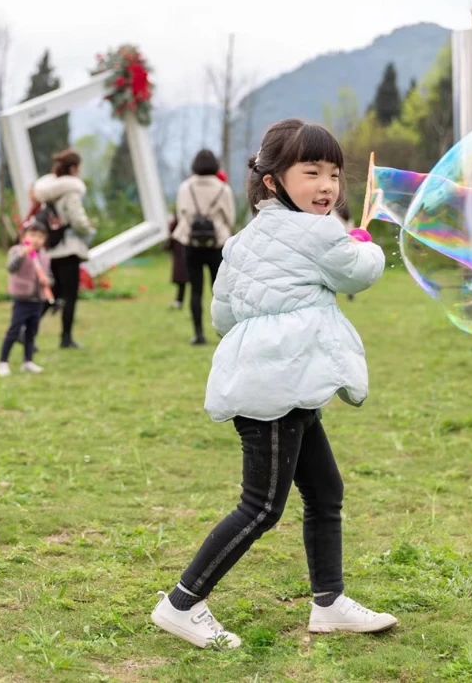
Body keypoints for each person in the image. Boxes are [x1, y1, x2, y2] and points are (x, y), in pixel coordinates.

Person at [151, 118, 395, 649]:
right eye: (312, 173)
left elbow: (222, 315)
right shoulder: (320, 232)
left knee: (325, 490)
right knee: (261, 507)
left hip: (279, 381)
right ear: (272, 180)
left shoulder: (241, 242)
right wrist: (362, 241)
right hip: (277, 386)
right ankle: (182, 603)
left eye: (334, 174)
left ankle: (329, 602)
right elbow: (359, 272)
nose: (327, 186)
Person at [31, 149, 95, 349]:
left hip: (52, 247)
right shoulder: (71, 190)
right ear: (74, 168)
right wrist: (89, 228)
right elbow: (77, 220)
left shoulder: (48, 190)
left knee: (52, 293)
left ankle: (27, 331)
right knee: (70, 296)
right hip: (69, 248)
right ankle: (66, 338)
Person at [172, 149, 236, 345]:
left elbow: (181, 214)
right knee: (220, 291)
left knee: (196, 290)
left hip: (192, 244)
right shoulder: (223, 189)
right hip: (217, 244)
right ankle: (224, 333)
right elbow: (230, 218)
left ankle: (199, 334)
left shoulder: (186, 187)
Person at [0, 219, 53, 376]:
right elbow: (11, 267)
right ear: (24, 237)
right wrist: (22, 254)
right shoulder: (17, 251)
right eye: (33, 235)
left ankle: (28, 361)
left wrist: (48, 281)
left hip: (38, 300)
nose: (36, 240)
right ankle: (3, 362)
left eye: (40, 237)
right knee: (14, 331)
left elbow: (49, 275)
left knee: (32, 332)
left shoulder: (45, 256)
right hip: (22, 299)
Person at [166, 217, 187, 309]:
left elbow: (172, 234)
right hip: (188, 249)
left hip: (182, 251)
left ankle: (179, 301)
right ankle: (179, 301)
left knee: (183, 278)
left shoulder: (177, 219)